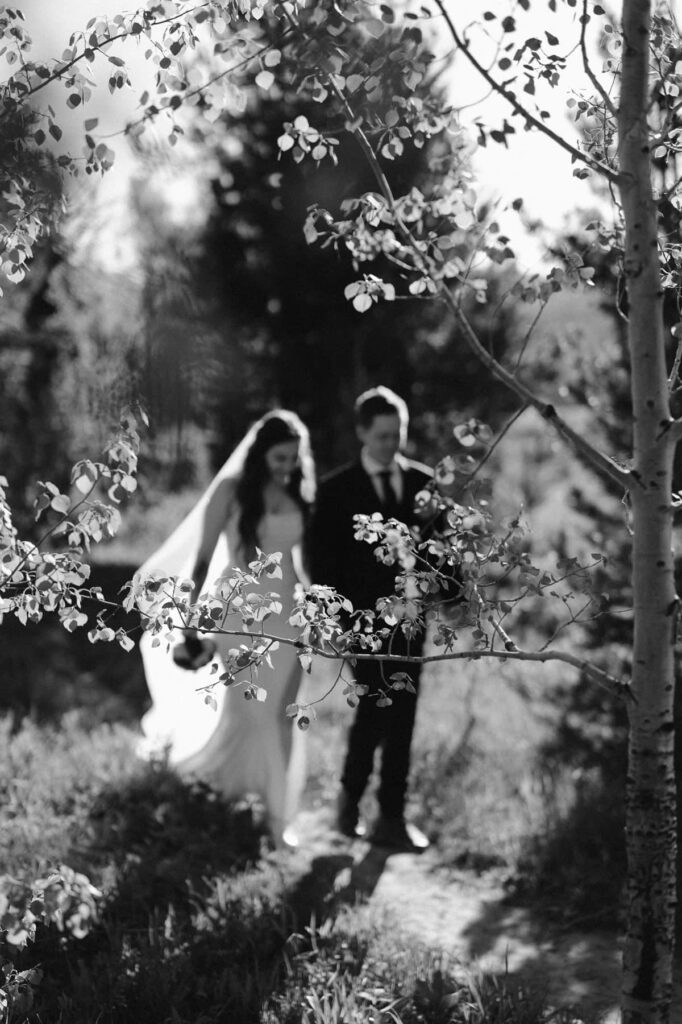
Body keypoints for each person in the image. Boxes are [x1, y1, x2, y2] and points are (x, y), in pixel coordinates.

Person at [136, 410, 315, 848]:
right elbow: (199, 562)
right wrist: (189, 623)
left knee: (283, 716)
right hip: (238, 614)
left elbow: (299, 563)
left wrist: (312, 612)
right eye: (279, 457)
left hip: (288, 618)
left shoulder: (298, 492)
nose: (286, 466)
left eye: (293, 458)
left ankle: (278, 818)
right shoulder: (231, 492)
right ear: (259, 453)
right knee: (248, 713)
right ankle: (229, 803)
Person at [311, 386, 431, 852]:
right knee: (376, 708)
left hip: (413, 620)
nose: (391, 444)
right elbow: (324, 565)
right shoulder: (336, 489)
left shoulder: (423, 483)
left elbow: (440, 551)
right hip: (362, 623)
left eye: (397, 434)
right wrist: (337, 624)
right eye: (382, 435)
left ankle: (393, 817)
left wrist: (452, 595)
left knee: (405, 717)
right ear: (363, 432)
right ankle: (349, 800)